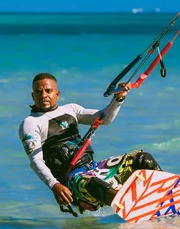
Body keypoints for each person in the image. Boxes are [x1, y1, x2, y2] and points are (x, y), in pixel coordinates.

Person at [19, 72, 162, 214]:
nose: (43, 95)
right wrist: (54, 185)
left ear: (57, 93)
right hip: (73, 181)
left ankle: (166, 194)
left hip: (94, 168)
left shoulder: (71, 109)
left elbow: (104, 118)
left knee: (143, 159)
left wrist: (118, 98)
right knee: (95, 185)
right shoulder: (30, 123)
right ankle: (136, 211)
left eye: (48, 91)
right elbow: (36, 161)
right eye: (38, 92)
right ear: (33, 96)